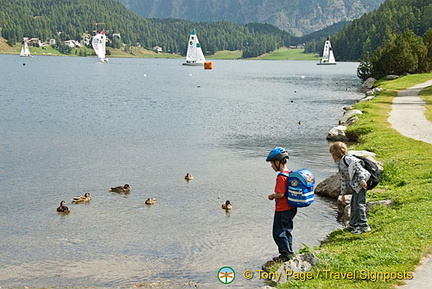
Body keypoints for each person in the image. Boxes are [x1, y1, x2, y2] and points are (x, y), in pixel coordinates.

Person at [329, 142, 371, 235]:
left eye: (332, 154)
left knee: (359, 205)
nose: (332, 156)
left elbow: (358, 168)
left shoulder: (347, 159)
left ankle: (364, 226)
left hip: (360, 184)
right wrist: (343, 194)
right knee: (353, 204)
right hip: (355, 186)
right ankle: (353, 224)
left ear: (337, 153)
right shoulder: (340, 164)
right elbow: (344, 178)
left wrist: (362, 181)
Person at [266, 147, 297, 262]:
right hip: (291, 208)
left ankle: (284, 255)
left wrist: (272, 196)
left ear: (278, 162)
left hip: (282, 209)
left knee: (278, 232)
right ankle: (289, 251)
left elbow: (280, 194)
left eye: (272, 163)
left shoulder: (281, 177)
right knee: (287, 230)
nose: (271, 166)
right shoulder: (290, 174)